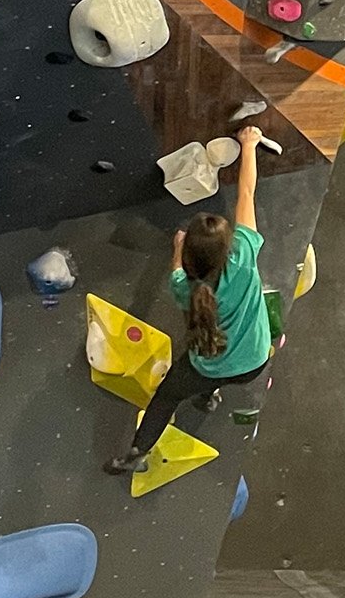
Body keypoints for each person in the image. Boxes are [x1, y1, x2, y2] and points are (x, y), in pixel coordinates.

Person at [105, 127, 272, 474]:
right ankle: (208, 398)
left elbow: (178, 272)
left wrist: (178, 249)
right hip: (254, 361)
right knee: (220, 378)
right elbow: (247, 192)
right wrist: (249, 144)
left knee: (167, 398)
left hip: (204, 367)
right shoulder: (244, 255)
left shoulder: (184, 287)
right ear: (230, 246)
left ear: (190, 259)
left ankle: (137, 454)